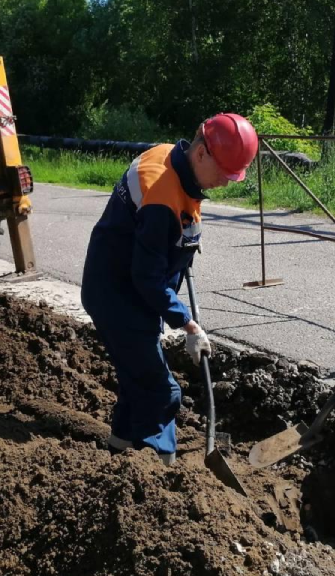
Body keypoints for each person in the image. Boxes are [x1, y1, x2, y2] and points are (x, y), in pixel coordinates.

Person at [81, 113, 259, 466]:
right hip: (120, 297)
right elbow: (147, 278)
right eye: (224, 173)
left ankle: (119, 453)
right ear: (202, 154)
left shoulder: (170, 157)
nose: (226, 183)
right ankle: (160, 476)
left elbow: (159, 237)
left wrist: (183, 246)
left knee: (138, 380)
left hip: (126, 290)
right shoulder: (162, 195)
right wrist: (188, 324)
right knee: (161, 390)